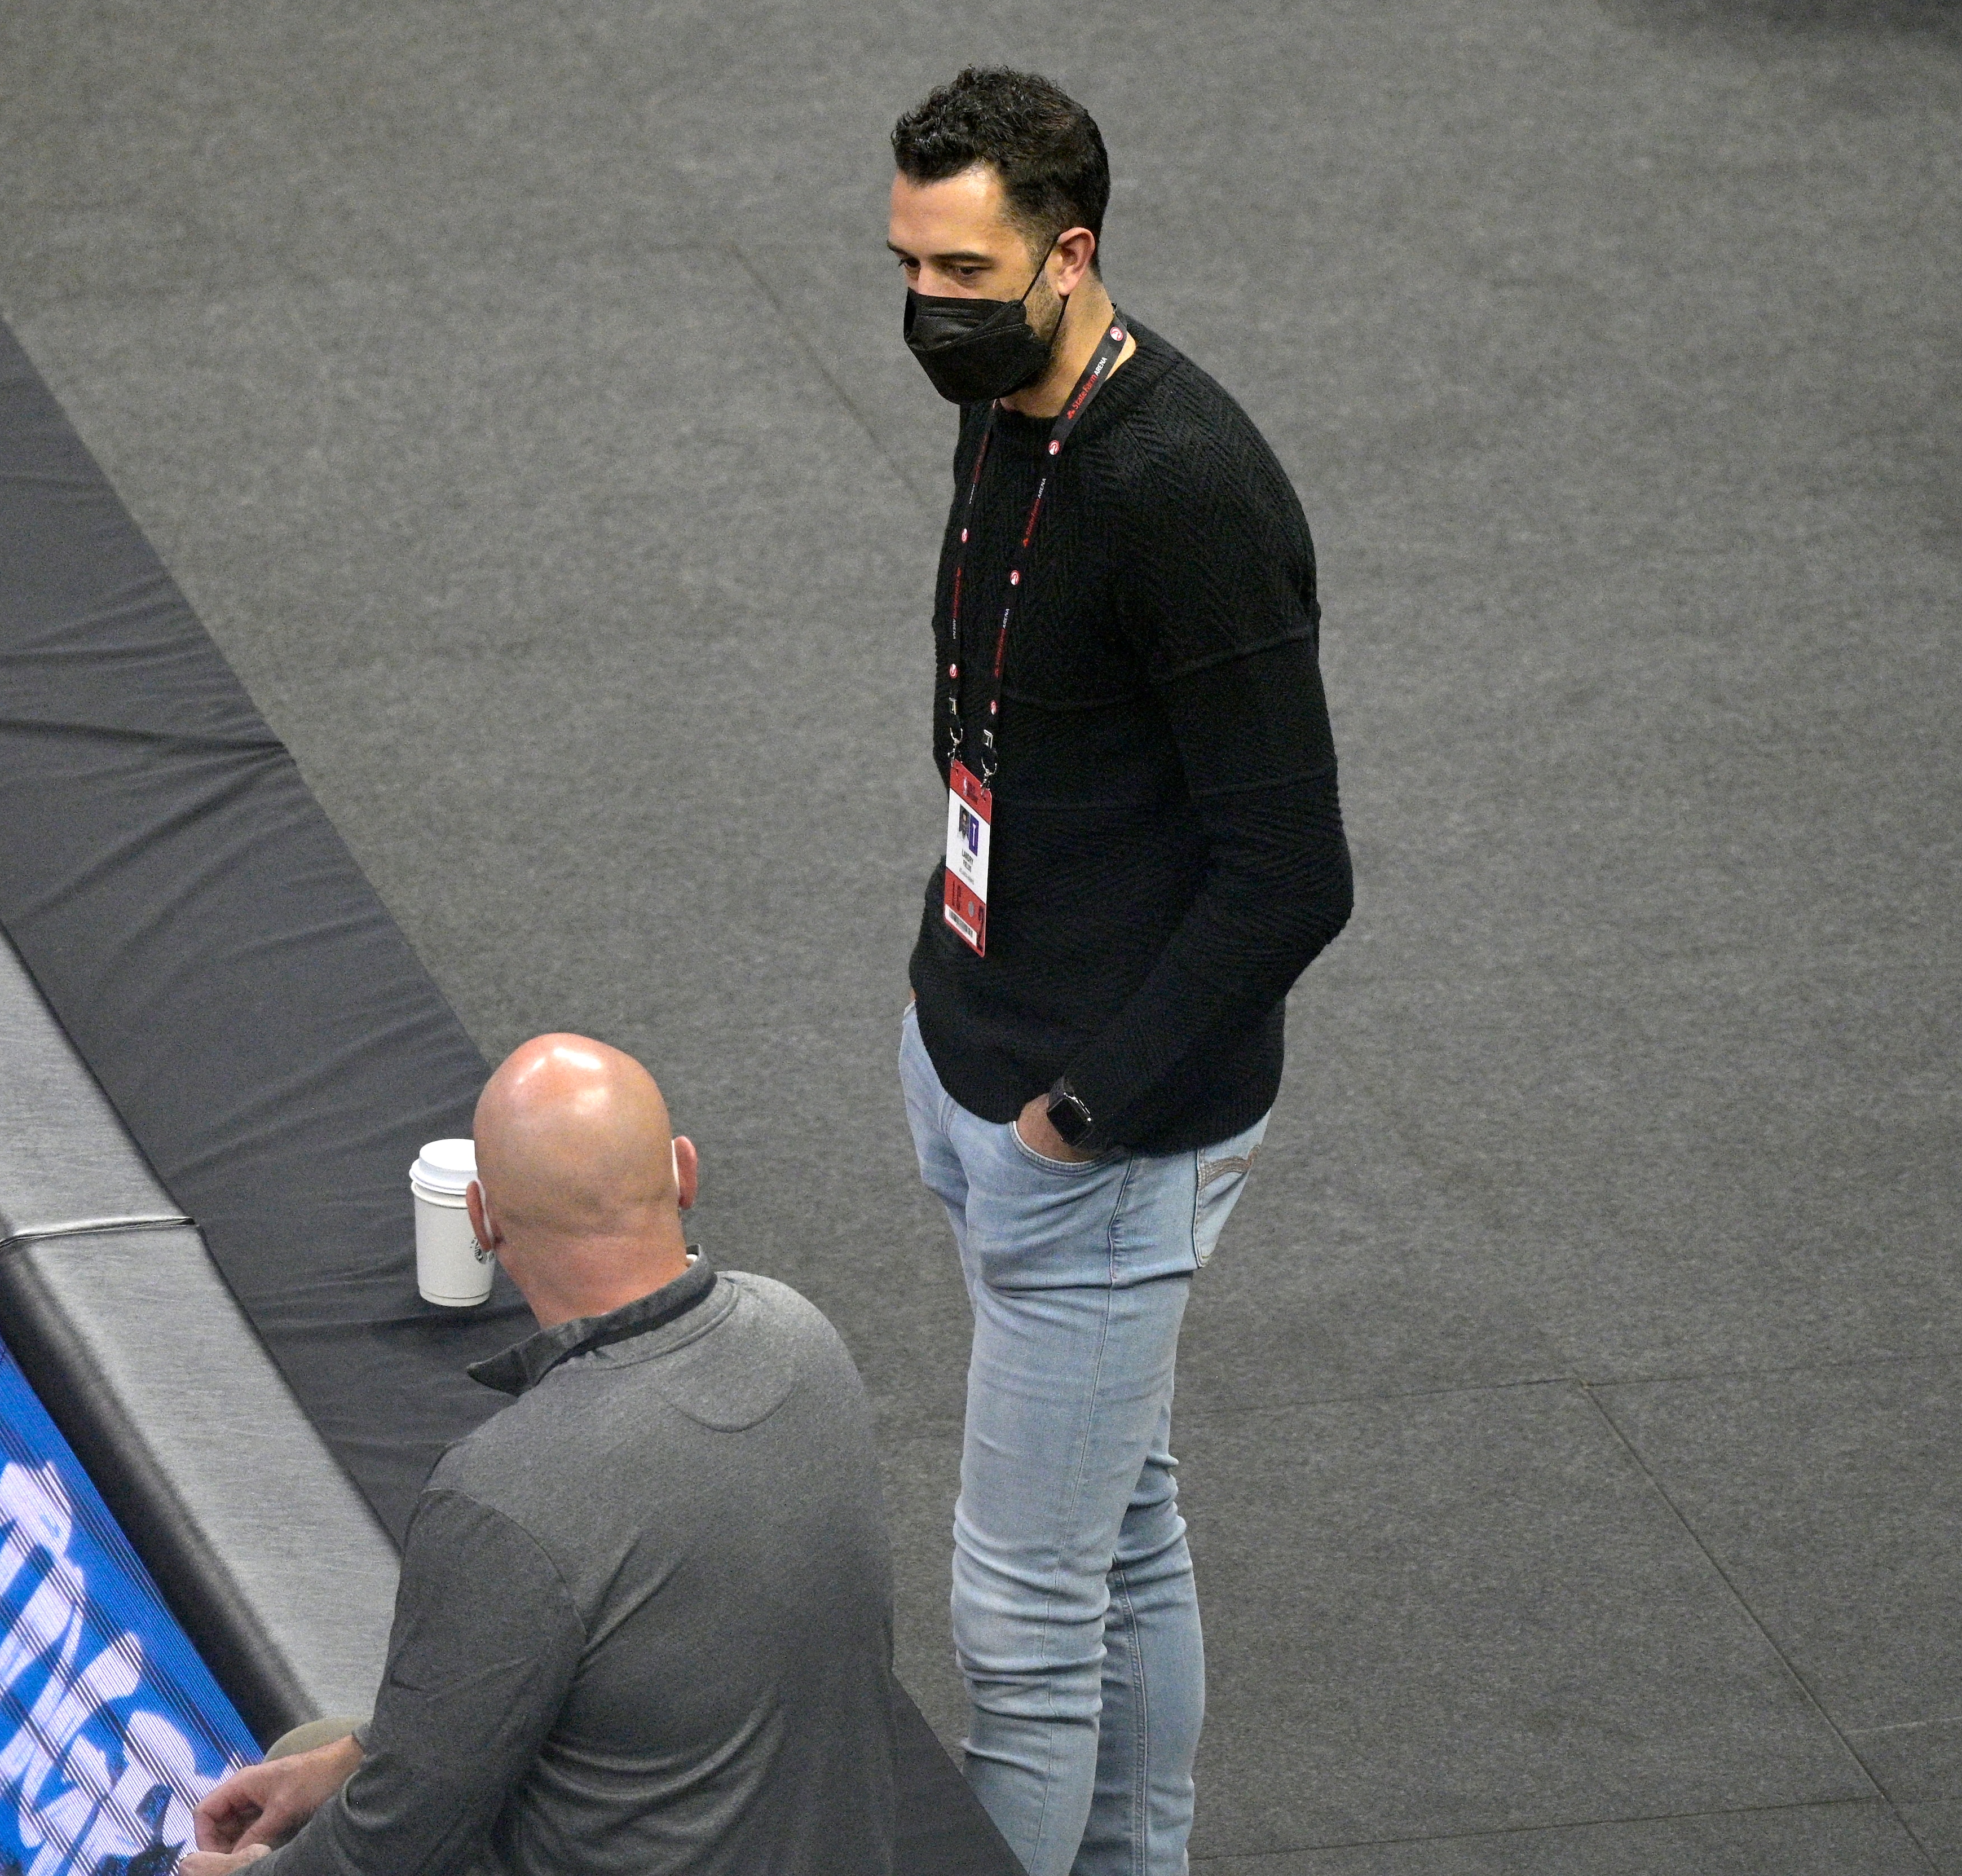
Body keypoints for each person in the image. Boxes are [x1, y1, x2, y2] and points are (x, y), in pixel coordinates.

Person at [885, 68, 1354, 1876]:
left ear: (1071, 257)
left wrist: (1083, 1114)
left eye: (966, 268)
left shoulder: (1191, 490)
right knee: (1120, 1531)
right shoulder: (1008, 400)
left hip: (1100, 1136)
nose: (929, 305)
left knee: (1019, 1628)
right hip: (983, 1054)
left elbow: (1293, 872)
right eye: (909, 263)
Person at [183, 1034, 898, 1876]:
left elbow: (389, 1849)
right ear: (686, 1171)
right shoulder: (803, 1332)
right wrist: (352, 1757)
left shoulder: (503, 1495)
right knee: (319, 1750)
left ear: (481, 1220)